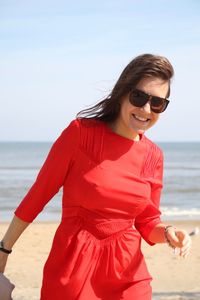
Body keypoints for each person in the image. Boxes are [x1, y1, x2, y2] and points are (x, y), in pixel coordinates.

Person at [0, 53, 191, 300]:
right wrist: (4, 248)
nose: (146, 109)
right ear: (123, 93)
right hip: (74, 270)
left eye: (157, 103)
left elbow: (147, 221)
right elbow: (39, 194)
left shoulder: (154, 156)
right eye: (139, 97)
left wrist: (168, 233)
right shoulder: (80, 134)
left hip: (129, 275)